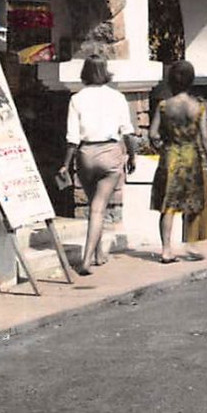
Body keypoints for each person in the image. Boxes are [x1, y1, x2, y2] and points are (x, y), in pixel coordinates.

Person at [63, 57, 136, 274]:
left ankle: (98, 253)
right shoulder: (117, 97)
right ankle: (86, 259)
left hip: (85, 154)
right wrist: (132, 156)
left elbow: (72, 138)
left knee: (94, 204)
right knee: (98, 208)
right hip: (109, 153)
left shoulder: (76, 99)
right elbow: (128, 133)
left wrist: (65, 164)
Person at [148, 59, 207, 263]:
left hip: (170, 155)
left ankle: (166, 249)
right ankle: (190, 243)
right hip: (191, 156)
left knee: (167, 204)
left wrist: (160, 146)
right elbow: (204, 138)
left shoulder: (163, 106)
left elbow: (152, 133)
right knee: (193, 202)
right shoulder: (198, 107)